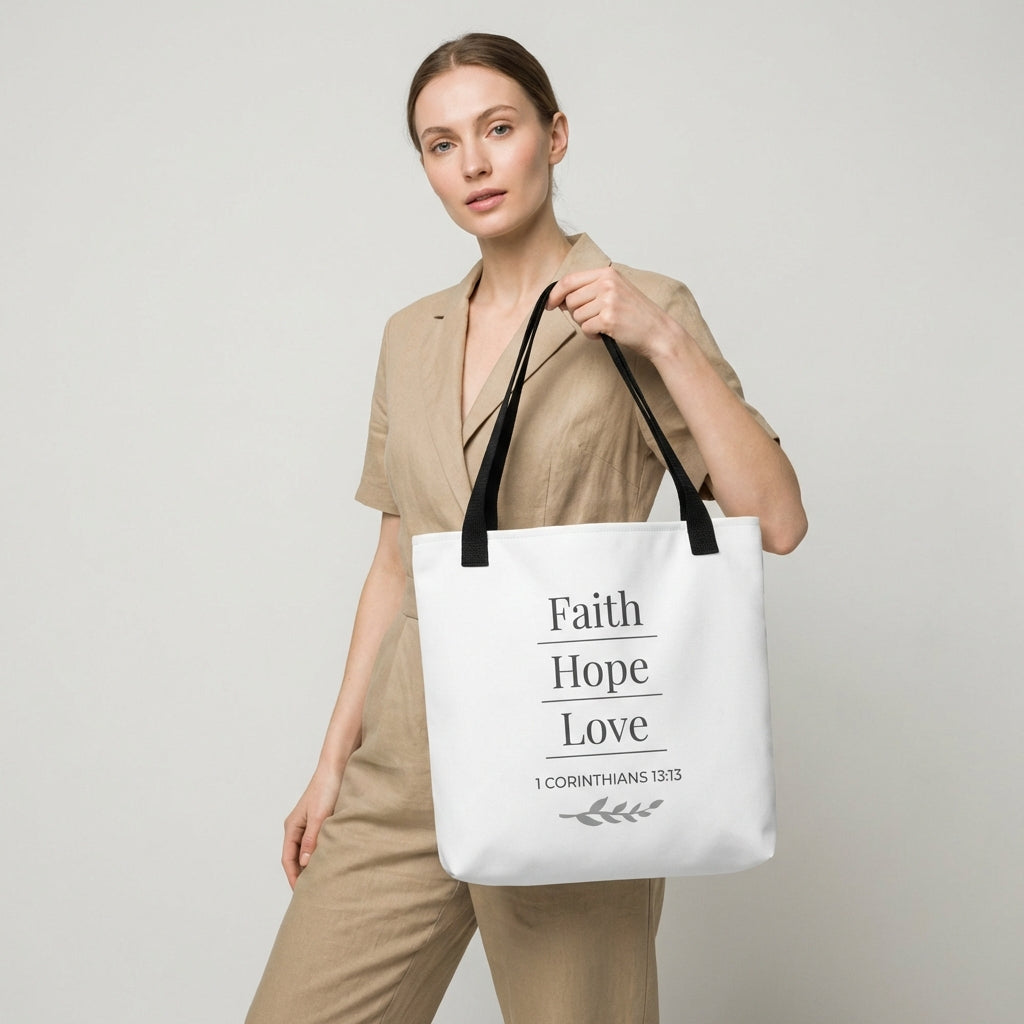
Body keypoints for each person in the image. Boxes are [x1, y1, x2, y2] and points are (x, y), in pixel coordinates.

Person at [245, 32, 806, 1024]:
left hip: (577, 741)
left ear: (553, 136)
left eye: (496, 129)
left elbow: (777, 518)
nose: (472, 162)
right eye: (439, 143)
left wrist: (659, 341)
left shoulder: (646, 308)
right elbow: (393, 562)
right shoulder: (407, 336)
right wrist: (332, 762)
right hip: (410, 747)